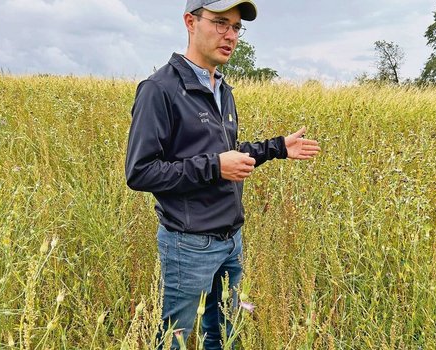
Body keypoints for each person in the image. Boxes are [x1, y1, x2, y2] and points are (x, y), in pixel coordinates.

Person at [125, 0, 321, 348]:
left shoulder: (222, 89)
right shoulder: (160, 90)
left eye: (236, 27)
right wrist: (215, 166)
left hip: (231, 239)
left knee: (226, 334)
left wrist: (276, 147)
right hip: (189, 244)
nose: (230, 35)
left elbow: (227, 153)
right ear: (190, 21)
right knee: (175, 339)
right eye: (220, 23)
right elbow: (140, 172)